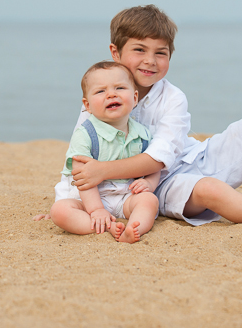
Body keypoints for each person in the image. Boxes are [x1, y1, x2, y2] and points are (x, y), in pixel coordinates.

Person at [37, 4, 242, 233]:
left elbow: (157, 156)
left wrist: (102, 171)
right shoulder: (101, 97)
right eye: (139, 50)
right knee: (212, 192)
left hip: (185, 159)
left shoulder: (172, 97)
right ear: (115, 52)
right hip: (153, 186)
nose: (150, 61)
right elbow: (82, 155)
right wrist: (68, 201)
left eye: (161, 53)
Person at [50, 61, 160, 243]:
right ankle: (107, 226)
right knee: (60, 211)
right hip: (89, 198)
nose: (111, 94)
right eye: (101, 91)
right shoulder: (85, 134)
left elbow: (153, 164)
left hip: (126, 197)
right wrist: (96, 210)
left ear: (134, 98)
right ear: (88, 105)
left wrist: (149, 182)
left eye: (119, 88)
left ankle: (134, 228)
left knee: (149, 200)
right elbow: (81, 177)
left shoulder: (143, 133)